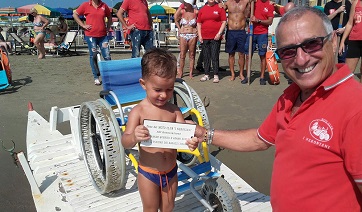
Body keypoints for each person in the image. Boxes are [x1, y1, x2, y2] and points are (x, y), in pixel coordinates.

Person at [187, 7, 362, 211]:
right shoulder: (291, 95)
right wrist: (203, 134)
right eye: (288, 51)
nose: (301, 59)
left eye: (311, 44)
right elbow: (259, 140)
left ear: (333, 41)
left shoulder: (354, 106)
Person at [122, 48, 184, 211]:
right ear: (143, 84)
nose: (164, 95)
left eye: (169, 89)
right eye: (158, 90)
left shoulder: (174, 111)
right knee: (150, 209)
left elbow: (184, 136)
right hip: (148, 173)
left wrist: (191, 137)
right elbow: (125, 141)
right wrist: (134, 137)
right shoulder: (139, 111)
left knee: (168, 208)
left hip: (171, 171)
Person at [73, 0, 112, 85]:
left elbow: (109, 16)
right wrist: (83, 25)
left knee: (107, 56)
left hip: (103, 36)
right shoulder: (86, 5)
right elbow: (75, 14)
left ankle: (108, 76)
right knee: (93, 56)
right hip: (91, 35)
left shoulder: (104, 5)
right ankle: (96, 77)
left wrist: (108, 27)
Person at [245, 0, 274, 85]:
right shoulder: (254, 3)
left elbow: (270, 21)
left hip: (262, 33)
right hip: (251, 32)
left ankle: (262, 77)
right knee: (248, 55)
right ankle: (247, 76)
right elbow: (246, 15)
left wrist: (258, 20)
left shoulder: (269, 5)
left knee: (262, 56)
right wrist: (249, 4)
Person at [198, 0, 227, 83]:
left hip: (215, 37)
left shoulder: (220, 8)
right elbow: (199, 23)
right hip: (205, 36)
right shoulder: (202, 9)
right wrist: (200, 35)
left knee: (214, 56)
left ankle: (215, 74)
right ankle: (206, 74)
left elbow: (224, 22)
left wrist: (219, 33)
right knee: (206, 56)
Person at [223, 0, 250, 82]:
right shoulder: (228, 3)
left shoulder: (246, 2)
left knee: (241, 54)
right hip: (231, 31)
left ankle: (241, 73)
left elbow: (254, 9)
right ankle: (232, 74)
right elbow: (219, 11)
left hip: (241, 31)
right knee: (231, 54)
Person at [339, 0, 362, 82]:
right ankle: (344, 93)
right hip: (354, 41)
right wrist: (342, 41)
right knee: (347, 72)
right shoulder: (356, 2)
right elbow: (349, 23)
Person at [174, 0, 198, 78]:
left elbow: (201, 21)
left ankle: (191, 72)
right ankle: (180, 72)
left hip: (192, 34)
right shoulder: (182, 11)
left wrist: (198, 29)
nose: (184, 5)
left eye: (186, 4)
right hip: (183, 34)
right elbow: (175, 18)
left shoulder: (196, 12)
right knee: (182, 55)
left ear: (190, 4)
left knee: (192, 55)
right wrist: (179, 28)